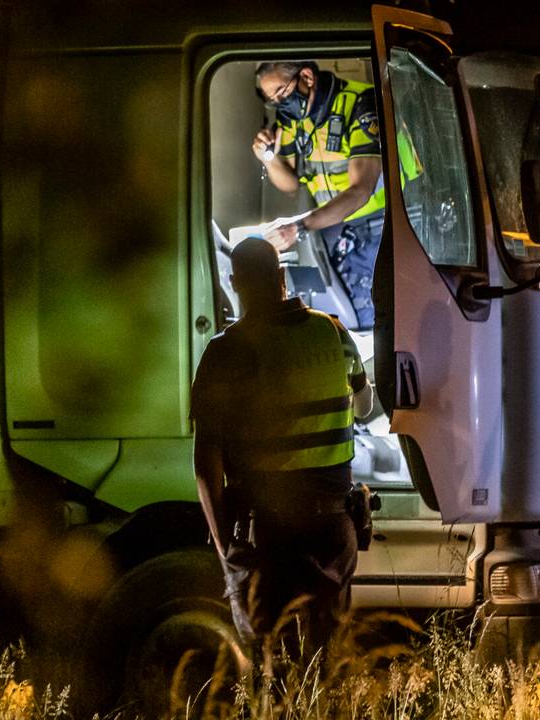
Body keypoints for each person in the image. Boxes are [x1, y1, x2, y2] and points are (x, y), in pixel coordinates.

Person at [191, 238, 374, 653]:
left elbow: (206, 462)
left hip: (267, 535)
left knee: (270, 660)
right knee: (327, 660)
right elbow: (364, 407)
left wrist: (224, 547)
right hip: (333, 531)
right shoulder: (334, 331)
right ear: (281, 276)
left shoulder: (225, 351)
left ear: (235, 283)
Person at [252, 61, 385, 330]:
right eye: (271, 99)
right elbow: (291, 185)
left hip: (379, 226)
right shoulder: (292, 120)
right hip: (334, 226)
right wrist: (268, 158)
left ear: (307, 77)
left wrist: (298, 227)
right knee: (346, 317)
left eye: (281, 92)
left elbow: (361, 190)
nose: (278, 103)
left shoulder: (361, 103)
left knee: (370, 317)